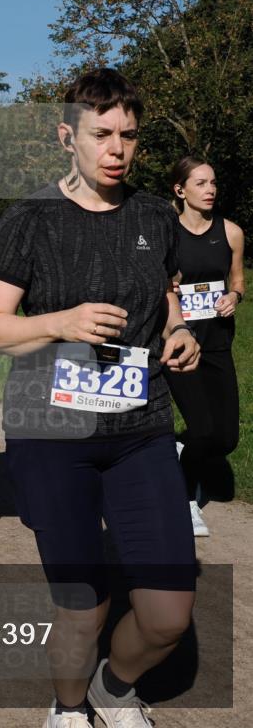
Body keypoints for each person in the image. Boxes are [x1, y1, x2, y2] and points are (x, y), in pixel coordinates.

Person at [0, 69, 201, 728]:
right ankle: (67, 707)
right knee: (84, 604)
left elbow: (166, 289)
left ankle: (114, 685)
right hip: (52, 434)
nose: (117, 148)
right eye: (102, 134)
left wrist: (178, 326)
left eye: (128, 135)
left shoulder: (157, 213)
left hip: (141, 425)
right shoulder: (30, 217)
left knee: (166, 614)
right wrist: (58, 323)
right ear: (67, 135)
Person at [168, 157, 245, 537]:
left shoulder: (230, 232)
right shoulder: (166, 233)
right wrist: (169, 288)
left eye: (213, 182)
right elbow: (155, 285)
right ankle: (185, 503)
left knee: (226, 437)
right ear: (180, 190)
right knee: (201, 428)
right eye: (200, 183)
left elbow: (238, 280)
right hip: (178, 347)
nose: (210, 189)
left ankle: (178, 451)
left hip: (217, 345)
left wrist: (234, 297)